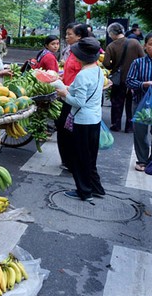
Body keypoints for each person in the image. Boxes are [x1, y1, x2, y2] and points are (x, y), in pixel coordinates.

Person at [56, 37, 106, 201]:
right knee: (90, 156)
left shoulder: (83, 74)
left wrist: (64, 95)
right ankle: (96, 187)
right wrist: (70, 88)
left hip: (83, 121)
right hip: (95, 119)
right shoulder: (98, 70)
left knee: (79, 157)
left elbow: (79, 102)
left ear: (82, 57)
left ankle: (84, 191)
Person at [56, 22, 90, 171]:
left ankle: (72, 162)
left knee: (69, 129)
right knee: (63, 127)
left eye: (70, 34)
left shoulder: (83, 54)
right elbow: (69, 71)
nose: (67, 37)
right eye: (67, 33)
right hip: (66, 93)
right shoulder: (70, 51)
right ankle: (67, 160)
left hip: (75, 96)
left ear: (79, 36)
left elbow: (83, 75)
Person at [126, 32, 152, 172]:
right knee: (140, 132)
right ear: (145, 46)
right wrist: (145, 84)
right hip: (141, 104)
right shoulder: (138, 63)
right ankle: (142, 160)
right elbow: (129, 81)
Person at [103, 22, 145, 132]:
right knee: (131, 102)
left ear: (112, 33)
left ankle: (116, 125)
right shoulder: (135, 43)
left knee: (117, 102)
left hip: (119, 79)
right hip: (134, 79)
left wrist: (115, 66)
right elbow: (143, 59)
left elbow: (106, 63)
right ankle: (129, 127)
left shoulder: (111, 46)